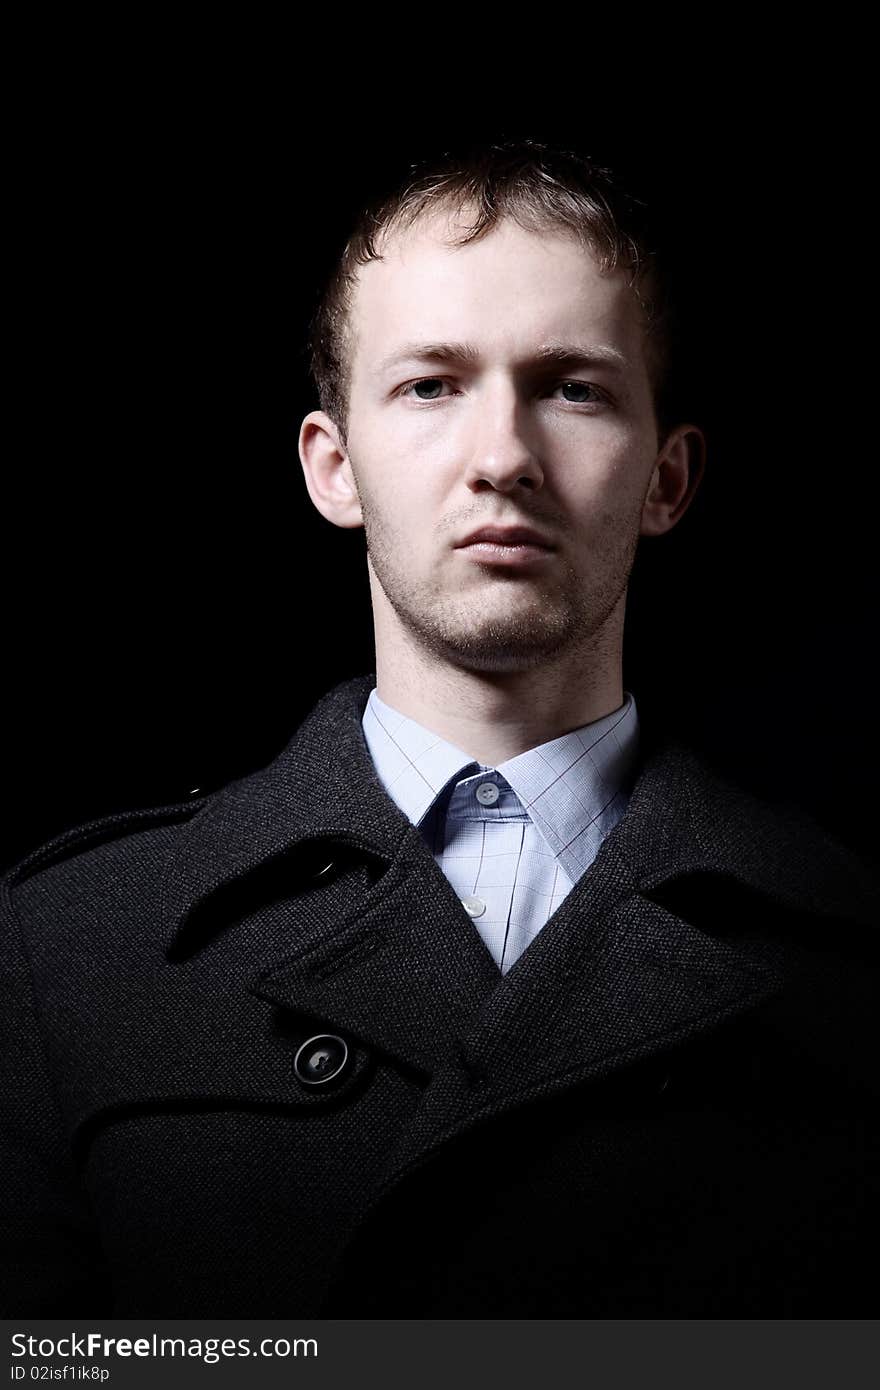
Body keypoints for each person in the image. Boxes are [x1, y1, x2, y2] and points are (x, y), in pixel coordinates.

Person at [2, 140, 878, 1318]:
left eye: (571, 387)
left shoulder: (853, 945)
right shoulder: (71, 945)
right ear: (334, 466)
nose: (503, 459)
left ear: (667, 478)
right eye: (431, 386)